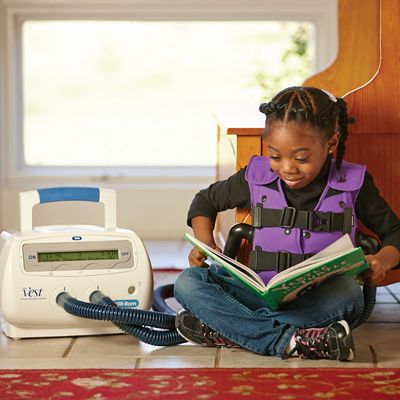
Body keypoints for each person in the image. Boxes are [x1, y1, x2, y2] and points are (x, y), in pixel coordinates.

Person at [173, 86, 400, 361]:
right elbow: (204, 201)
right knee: (188, 282)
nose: (287, 168)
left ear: (331, 143)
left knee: (350, 295)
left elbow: (395, 232)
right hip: (258, 290)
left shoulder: (354, 183)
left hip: (321, 297)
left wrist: (382, 261)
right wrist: (206, 242)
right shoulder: (256, 175)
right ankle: (290, 340)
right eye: (275, 156)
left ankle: (232, 329)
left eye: (301, 158)